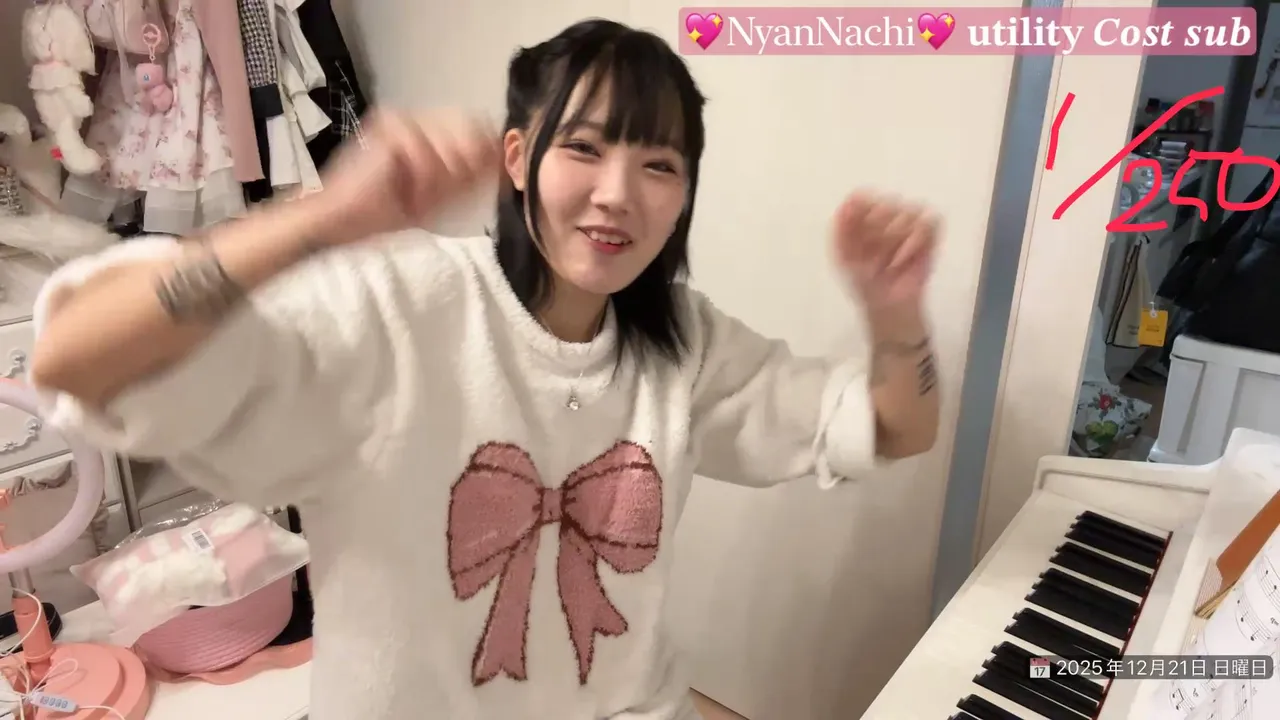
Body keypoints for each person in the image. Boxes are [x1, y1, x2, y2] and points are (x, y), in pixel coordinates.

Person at [30, 18, 940, 720]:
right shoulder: (396, 306)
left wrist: (895, 312)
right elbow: (76, 354)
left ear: (684, 197)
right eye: (583, 148)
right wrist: (325, 219)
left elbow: (897, 427)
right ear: (518, 158)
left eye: (659, 164)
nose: (618, 194)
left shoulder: (684, 341)